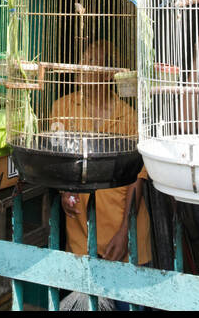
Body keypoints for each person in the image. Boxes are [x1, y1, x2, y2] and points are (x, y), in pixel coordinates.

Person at [54, 39, 152, 269]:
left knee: (124, 303)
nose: (81, 66)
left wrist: (125, 233)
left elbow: (138, 179)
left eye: (90, 61)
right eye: (81, 60)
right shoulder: (63, 108)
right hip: (82, 233)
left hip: (123, 231)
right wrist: (64, 191)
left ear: (108, 75)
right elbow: (59, 158)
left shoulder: (129, 118)